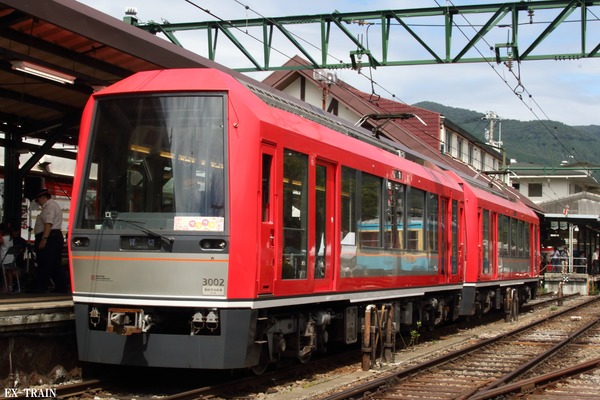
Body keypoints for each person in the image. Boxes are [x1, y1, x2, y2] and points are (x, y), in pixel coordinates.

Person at [30, 188, 68, 293]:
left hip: (50, 237)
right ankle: (61, 287)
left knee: (45, 262)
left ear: (43, 197)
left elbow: (48, 223)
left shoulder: (49, 206)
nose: (39, 204)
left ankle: (41, 287)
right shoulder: (53, 206)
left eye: (39, 200)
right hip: (53, 237)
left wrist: (44, 238)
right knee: (54, 264)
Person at [0, 222, 17, 293]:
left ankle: (4, 286)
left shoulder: (2, 238)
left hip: (3, 258)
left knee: (3, 273)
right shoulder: (10, 238)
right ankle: (10, 286)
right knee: (9, 272)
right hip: (11, 259)